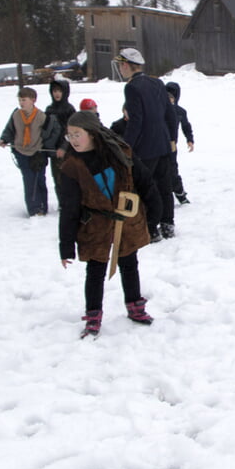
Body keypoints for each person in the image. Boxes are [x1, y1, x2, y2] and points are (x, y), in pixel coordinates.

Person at [59, 111, 160, 338]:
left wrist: (155, 212)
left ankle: (135, 306)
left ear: (93, 134)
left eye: (77, 134)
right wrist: (66, 246)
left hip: (126, 220)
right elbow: (69, 208)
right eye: (69, 136)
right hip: (94, 226)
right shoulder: (71, 166)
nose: (73, 140)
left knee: (129, 263)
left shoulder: (120, 153)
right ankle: (93, 316)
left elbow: (144, 181)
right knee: (95, 270)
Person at [113, 47, 177, 241]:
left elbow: (136, 121)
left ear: (125, 65)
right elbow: (170, 114)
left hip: (145, 148)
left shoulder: (132, 87)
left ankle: (151, 227)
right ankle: (168, 224)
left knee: (146, 189)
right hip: (163, 144)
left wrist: (126, 146)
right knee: (165, 187)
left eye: (120, 65)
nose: (120, 69)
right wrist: (172, 139)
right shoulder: (157, 82)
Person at [0, 87, 54, 216]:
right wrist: (4, 139)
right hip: (21, 152)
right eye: (19, 100)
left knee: (39, 180)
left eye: (24, 100)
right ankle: (34, 209)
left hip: (37, 153)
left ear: (33, 100)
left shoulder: (41, 116)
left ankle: (43, 207)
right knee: (29, 180)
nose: (21, 103)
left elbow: (48, 134)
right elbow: (9, 129)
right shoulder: (16, 115)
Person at [45, 80, 77, 205]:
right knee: (57, 178)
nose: (57, 94)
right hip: (53, 150)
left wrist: (64, 147)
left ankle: (70, 203)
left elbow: (72, 131)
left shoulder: (69, 109)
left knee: (68, 177)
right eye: (54, 91)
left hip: (68, 149)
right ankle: (62, 203)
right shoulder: (49, 109)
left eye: (59, 91)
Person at [165, 81, 194, 204]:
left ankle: (180, 194)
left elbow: (186, 126)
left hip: (172, 146)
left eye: (172, 97)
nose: (169, 99)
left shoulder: (180, 111)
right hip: (158, 144)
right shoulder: (158, 109)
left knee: (172, 171)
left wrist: (190, 139)